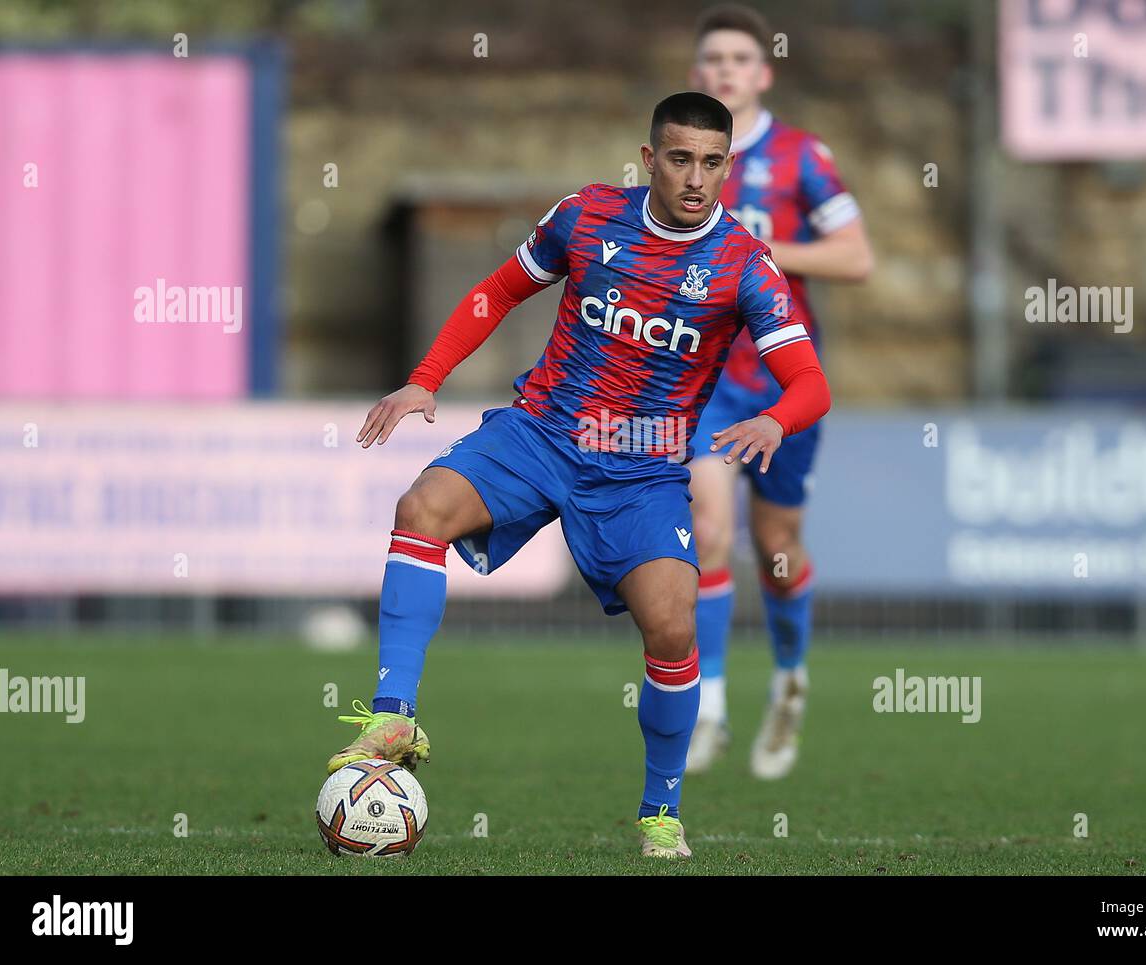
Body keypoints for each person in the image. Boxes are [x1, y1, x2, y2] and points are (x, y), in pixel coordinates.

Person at [328, 91, 831, 858]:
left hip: (643, 473)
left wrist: (775, 418)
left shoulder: (744, 267)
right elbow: (497, 289)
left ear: (727, 166)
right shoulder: (588, 217)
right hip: (543, 432)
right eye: (680, 158)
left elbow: (810, 384)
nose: (696, 177)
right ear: (648, 159)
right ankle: (392, 713)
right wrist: (426, 376)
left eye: (712, 162)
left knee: (671, 625)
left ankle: (661, 810)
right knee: (421, 506)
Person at [685, 4, 874, 779]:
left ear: (764, 73)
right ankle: (709, 707)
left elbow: (856, 257)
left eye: (738, 59)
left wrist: (766, 248)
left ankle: (790, 678)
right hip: (706, 379)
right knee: (705, 521)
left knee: (778, 547)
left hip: (783, 378)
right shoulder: (683, 158)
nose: (724, 69)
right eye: (711, 59)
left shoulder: (799, 158)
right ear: (695, 76)